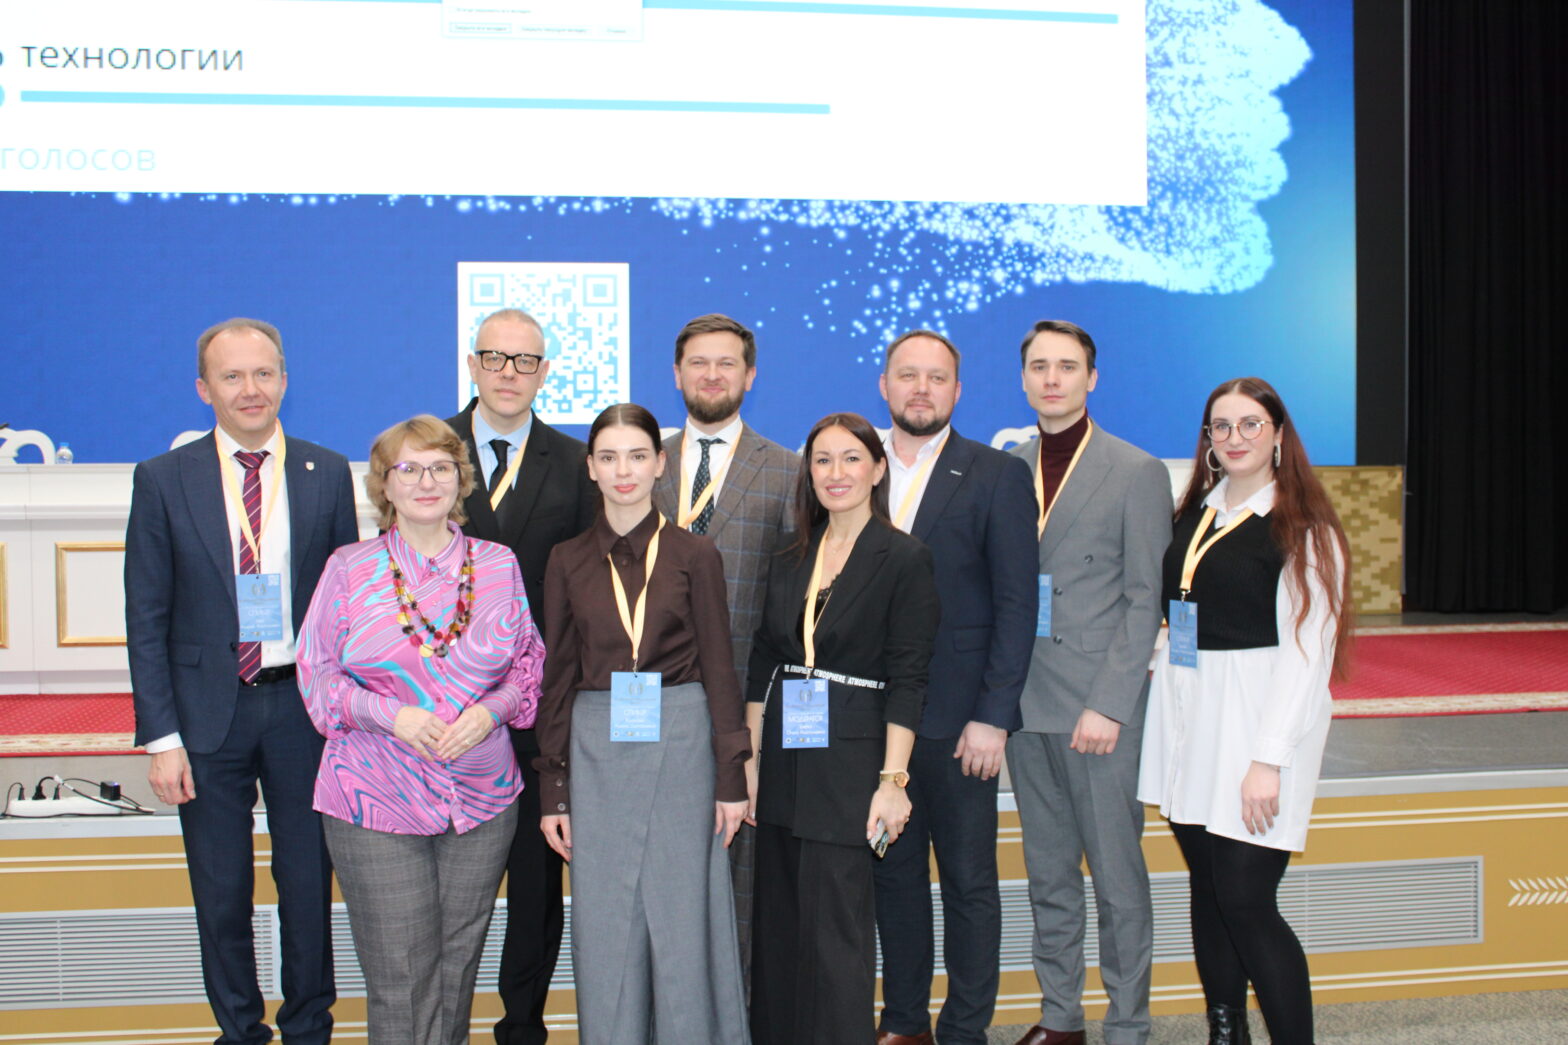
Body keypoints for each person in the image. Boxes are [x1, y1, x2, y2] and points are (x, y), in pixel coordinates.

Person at [125, 317, 358, 1045]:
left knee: (307, 887)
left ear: (284, 379)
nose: (250, 389)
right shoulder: (163, 478)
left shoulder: (327, 471)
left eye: (263, 373)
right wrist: (162, 738)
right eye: (232, 376)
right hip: (205, 718)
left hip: (302, 713)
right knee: (221, 892)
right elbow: (146, 616)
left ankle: (309, 1027)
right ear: (205, 388)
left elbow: (347, 607)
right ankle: (239, 1031)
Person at [297, 414, 545, 1044]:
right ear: (384, 483)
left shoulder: (498, 565)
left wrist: (490, 712)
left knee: (457, 972)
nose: (426, 481)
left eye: (440, 467)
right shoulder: (349, 568)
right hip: (374, 797)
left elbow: (529, 667)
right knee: (401, 979)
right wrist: (393, 716)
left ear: (460, 479)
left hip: (483, 799)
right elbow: (318, 678)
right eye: (408, 468)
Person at [1139, 377, 1352, 1045]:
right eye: (1221, 426)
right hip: (1190, 719)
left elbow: (1309, 655)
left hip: (1257, 726)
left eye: (1250, 424)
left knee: (1245, 898)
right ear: (1207, 439)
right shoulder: (1196, 512)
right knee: (1209, 889)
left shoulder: (1304, 527)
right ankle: (1225, 1031)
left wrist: (1268, 759)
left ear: (1279, 434)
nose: (1235, 438)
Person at [534, 403, 750, 1044]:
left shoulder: (695, 554)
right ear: (591, 469)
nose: (623, 471)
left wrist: (732, 778)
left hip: (684, 748)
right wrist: (553, 789)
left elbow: (719, 667)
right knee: (606, 924)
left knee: (685, 918)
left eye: (636, 456)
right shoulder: (566, 559)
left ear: (660, 464)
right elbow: (557, 677)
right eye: (608, 457)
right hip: (596, 753)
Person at [747, 412, 940, 1045]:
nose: (836, 473)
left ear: (878, 469)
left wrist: (893, 781)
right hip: (783, 759)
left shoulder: (904, 558)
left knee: (836, 936)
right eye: (823, 460)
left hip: (852, 768)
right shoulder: (789, 555)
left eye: (852, 458)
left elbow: (910, 678)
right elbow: (764, 659)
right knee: (778, 931)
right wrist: (749, 762)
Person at [1007, 321, 1173, 1045]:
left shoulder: (1135, 469)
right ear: (1023, 378)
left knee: (1115, 878)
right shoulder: (1008, 466)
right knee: (1047, 875)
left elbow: (1144, 598)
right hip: (1024, 703)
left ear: (1091, 378)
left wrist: (1110, 703)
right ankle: (1060, 1018)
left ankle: (1127, 1023)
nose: (1052, 378)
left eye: (1067, 366)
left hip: (1097, 708)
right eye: (1039, 366)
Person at [870, 331, 1038, 1045]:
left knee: (969, 883)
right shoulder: (855, 467)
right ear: (884, 385)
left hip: (962, 722)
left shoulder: (997, 474)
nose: (921, 388)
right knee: (894, 880)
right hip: (875, 720)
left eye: (936, 377)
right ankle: (905, 1022)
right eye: (908, 375)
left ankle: (965, 1028)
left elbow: (1017, 605)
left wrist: (994, 716)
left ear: (958, 390)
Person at [443, 307, 597, 1045]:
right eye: (495, 358)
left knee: (536, 888)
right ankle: (440, 1025)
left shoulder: (575, 462)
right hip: (444, 715)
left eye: (525, 360)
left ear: (545, 371)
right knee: (449, 890)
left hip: (541, 711)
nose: (509, 373)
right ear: (472, 364)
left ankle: (523, 1028)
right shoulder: (429, 450)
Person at [651, 312, 797, 985]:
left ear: (750, 375)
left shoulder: (789, 471)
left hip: (747, 708)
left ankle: (734, 1019)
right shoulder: (641, 463)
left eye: (727, 363)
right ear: (677, 374)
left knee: (742, 882)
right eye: (699, 363)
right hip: (650, 708)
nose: (712, 375)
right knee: (660, 872)